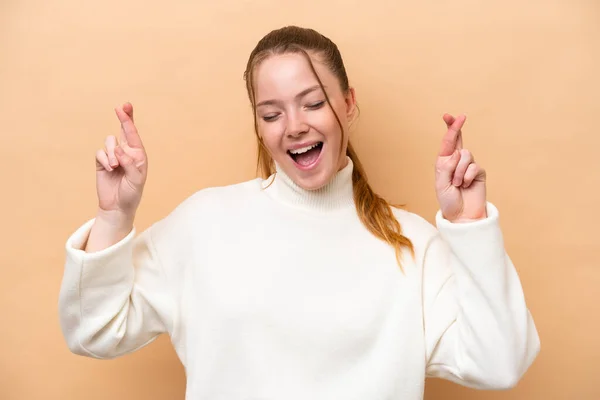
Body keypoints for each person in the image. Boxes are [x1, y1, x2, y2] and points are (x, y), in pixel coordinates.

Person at [58, 26, 540, 399]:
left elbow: (499, 363)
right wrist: (114, 218)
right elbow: (93, 331)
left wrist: (470, 225)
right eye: (271, 113)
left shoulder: (412, 245)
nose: (294, 126)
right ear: (259, 125)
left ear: (348, 105)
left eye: (313, 103)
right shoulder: (204, 225)